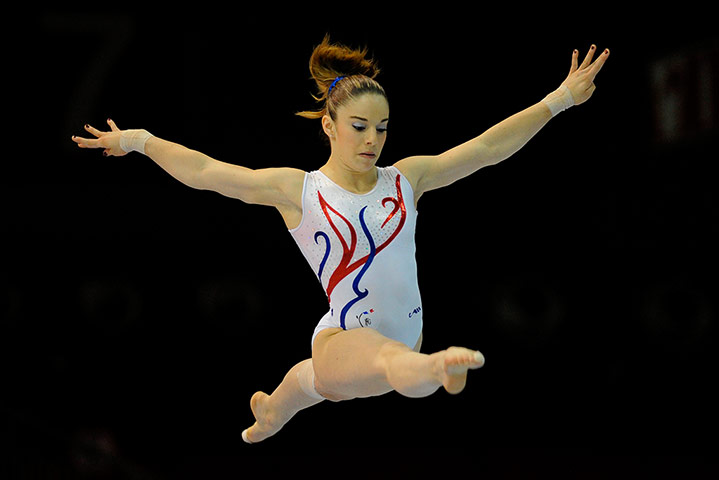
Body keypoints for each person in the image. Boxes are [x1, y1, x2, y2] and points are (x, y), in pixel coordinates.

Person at [72, 35, 609, 444]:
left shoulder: (406, 179)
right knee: (387, 364)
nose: (372, 139)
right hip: (345, 339)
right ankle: (428, 369)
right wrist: (138, 140)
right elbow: (207, 171)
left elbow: (489, 147)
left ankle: (277, 408)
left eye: (381, 128)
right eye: (358, 126)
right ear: (328, 125)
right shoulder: (299, 191)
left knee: (377, 373)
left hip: (401, 340)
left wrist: (559, 100)